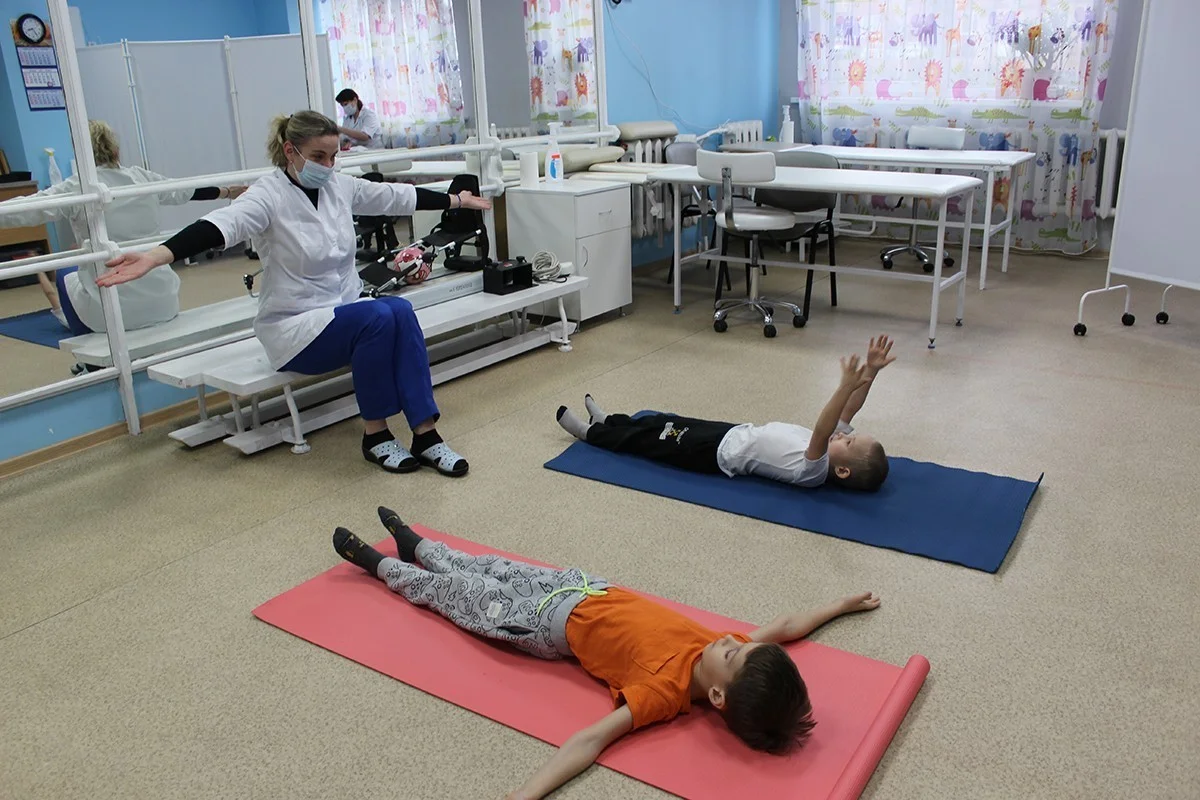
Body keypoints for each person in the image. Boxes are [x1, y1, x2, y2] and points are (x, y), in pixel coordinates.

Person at [331, 507, 882, 800]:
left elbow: (592, 740)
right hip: (581, 586)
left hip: (543, 624)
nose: (733, 641)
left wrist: (527, 793)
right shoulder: (722, 651)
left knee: (460, 596)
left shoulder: (663, 693)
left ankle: (383, 568)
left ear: (717, 696)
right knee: (489, 566)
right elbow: (783, 628)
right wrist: (838, 604)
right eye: (742, 644)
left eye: (735, 654)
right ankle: (420, 545)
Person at [97, 111, 490, 477]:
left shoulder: (338, 186)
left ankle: (425, 435)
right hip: (295, 329)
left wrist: (457, 200)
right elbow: (220, 225)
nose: (328, 165)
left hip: (343, 315)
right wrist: (156, 256)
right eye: (318, 156)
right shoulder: (267, 195)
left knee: (399, 310)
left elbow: (395, 196)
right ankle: (376, 435)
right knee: (377, 316)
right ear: (290, 151)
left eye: (333, 156)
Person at [557, 335, 897, 492]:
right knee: (662, 421)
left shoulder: (815, 470)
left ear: (842, 471)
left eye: (848, 443)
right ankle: (610, 420)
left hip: (714, 453)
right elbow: (850, 409)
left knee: (652, 441)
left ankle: (593, 435)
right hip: (731, 432)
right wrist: (871, 372)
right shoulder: (830, 451)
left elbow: (824, 427)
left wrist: (843, 386)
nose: (843, 435)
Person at [0, 120, 244, 335]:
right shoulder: (141, 177)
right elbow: (187, 191)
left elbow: (25, 210)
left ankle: (86, 349)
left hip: (109, 315)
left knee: (65, 272)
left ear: (81, 156)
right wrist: (227, 191)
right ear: (116, 151)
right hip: (163, 302)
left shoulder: (78, 187)